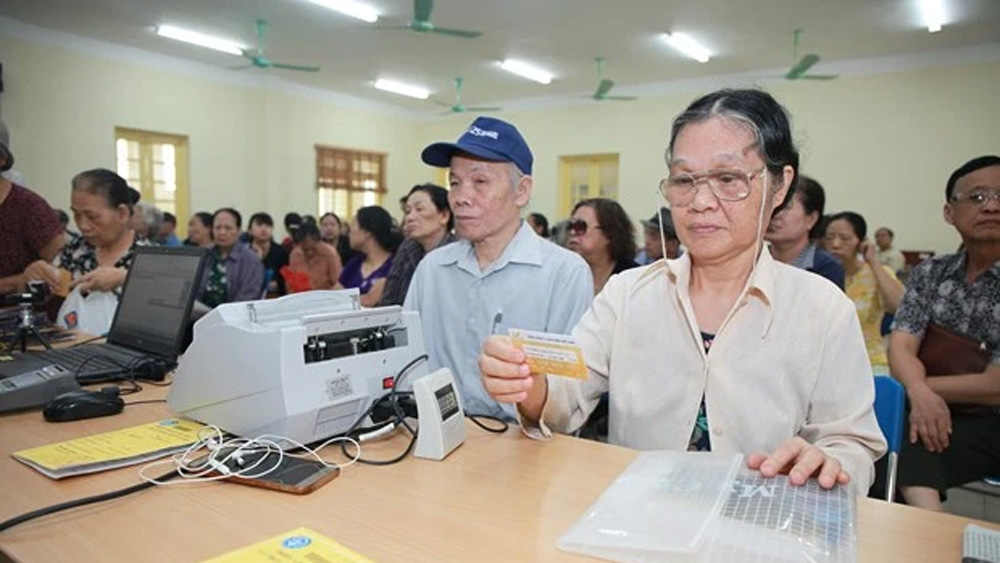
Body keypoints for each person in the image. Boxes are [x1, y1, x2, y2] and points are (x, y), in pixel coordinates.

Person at [478, 89, 885, 490]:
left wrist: (830, 462)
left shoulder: (823, 309)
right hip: (638, 518)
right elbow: (565, 397)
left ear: (779, 186)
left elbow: (852, 444)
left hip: (759, 527)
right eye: (684, 180)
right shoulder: (628, 294)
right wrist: (530, 387)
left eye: (728, 178)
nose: (701, 201)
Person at [405, 116, 592, 420]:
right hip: (440, 438)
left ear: (521, 191)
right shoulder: (433, 270)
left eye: (480, 182)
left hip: (527, 446)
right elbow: (407, 367)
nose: (461, 198)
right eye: (454, 182)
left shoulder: (564, 274)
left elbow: (567, 398)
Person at [890, 155, 1000, 511]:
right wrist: (919, 392)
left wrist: (921, 391)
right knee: (879, 447)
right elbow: (901, 346)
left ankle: (929, 534)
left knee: (904, 441)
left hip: (990, 422)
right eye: (978, 197)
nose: (992, 207)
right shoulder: (931, 273)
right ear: (949, 213)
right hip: (928, 410)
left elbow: (995, 386)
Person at [45, 169, 148, 297]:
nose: (83, 226)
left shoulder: (150, 257)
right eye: (76, 215)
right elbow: (56, 300)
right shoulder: (73, 252)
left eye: (92, 216)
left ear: (122, 213)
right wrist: (37, 277)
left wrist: (126, 278)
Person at [823, 212, 904, 372]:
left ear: (861, 242)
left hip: (870, 362)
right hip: (827, 363)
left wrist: (873, 261)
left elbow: (899, 306)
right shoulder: (821, 274)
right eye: (829, 238)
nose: (836, 244)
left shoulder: (878, 273)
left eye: (845, 238)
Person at [0, 134, 65, 294]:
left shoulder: (28, 206)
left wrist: (22, 279)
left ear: (2, 159)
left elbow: (65, 269)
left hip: (24, 314)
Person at [378, 184, 456, 306]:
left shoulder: (458, 252)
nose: (410, 217)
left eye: (419, 209)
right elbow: (389, 299)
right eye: (407, 211)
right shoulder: (408, 247)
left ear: (444, 216)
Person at [766, 176, 845, 289]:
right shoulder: (752, 261)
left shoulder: (827, 268)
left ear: (811, 219)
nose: (775, 214)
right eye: (772, 205)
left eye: (786, 207)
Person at [567, 198, 638, 295]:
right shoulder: (564, 274)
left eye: (580, 226)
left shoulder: (634, 279)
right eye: (570, 226)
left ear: (609, 233)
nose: (572, 232)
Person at [197, 208, 264, 308]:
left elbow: (247, 299)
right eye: (218, 228)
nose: (222, 232)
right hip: (198, 317)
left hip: (232, 318)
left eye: (228, 228)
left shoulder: (251, 261)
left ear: (238, 231)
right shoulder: (204, 255)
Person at [336, 206, 401, 307]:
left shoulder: (394, 267)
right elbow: (335, 297)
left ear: (367, 233)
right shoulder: (354, 264)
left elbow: (370, 302)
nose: (349, 233)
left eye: (352, 227)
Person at [285, 222, 343, 293]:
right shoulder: (295, 255)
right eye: (305, 250)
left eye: (314, 248)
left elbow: (339, 285)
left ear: (320, 241)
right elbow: (291, 283)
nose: (310, 253)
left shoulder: (330, 254)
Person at [247, 212, 289, 295]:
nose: (264, 229)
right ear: (250, 230)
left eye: (267, 226)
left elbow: (285, 277)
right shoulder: (244, 252)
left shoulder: (280, 251)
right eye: (259, 225)